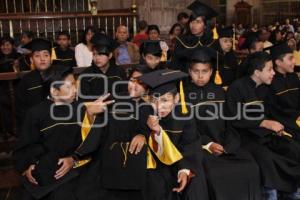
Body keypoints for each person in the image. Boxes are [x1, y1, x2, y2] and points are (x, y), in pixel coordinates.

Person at [14, 65, 112, 200]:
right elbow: (27, 144)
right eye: (69, 86)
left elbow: (94, 141)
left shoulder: (81, 108)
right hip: (50, 168)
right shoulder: (36, 113)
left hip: (80, 166)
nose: (75, 90)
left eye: (75, 84)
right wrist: (30, 164)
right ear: (55, 91)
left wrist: (73, 158)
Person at [185, 47, 261, 200]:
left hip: (225, 144)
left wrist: (229, 145)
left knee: (251, 166)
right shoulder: (183, 95)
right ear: (189, 71)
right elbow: (187, 129)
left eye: (205, 71)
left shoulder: (220, 92)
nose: (200, 76)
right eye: (195, 71)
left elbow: (230, 122)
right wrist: (208, 145)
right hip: (201, 147)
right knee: (215, 173)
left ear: (211, 71)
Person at [226, 51, 300, 200]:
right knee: (266, 158)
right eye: (269, 69)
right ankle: (271, 193)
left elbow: (274, 113)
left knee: (293, 148)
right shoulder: (237, 87)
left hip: (266, 135)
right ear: (257, 72)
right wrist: (263, 122)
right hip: (244, 137)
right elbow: (233, 118)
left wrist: (277, 127)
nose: (273, 73)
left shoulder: (266, 88)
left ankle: (293, 191)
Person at [138, 69, 208, 200]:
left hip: (181, 161)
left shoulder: (184, 115)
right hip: (155, 164)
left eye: (165, 100)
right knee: (157, 186)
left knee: (194, 185)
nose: (159, 107)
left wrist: (184, 170)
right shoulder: (145, 112)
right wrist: (153, 132)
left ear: (176, 99)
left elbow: (190, 145)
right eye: (154, 100)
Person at [16, 38, 53, 134]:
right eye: (37, 56)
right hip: (34, 128)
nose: (42, 59)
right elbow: (21, 109)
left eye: (46, 55)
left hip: (56, 125)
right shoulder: (26, 81)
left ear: (50, 58)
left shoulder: (60, 77)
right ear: (31, 59)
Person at [172, 0, 218, 72]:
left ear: (205, 25)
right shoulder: (181, 40)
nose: (193, 25)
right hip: (185, 79)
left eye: (198, 22)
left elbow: (216, 65)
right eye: (191, 22)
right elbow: (174, 64)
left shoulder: (212, 41)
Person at [79, 32, 126, 101]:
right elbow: (84, 100)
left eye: (100, 54)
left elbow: (124, 94)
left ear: (110, 55)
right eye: (94, 54)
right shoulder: (86, 75)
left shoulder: (119, 72)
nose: (97, 58)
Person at [267, 43, 300, 142]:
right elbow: (275, 110)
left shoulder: (293, 76)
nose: (294, 61)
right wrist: (296, 115)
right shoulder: (270, 81)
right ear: (278, 62)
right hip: (286, 122)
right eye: (290, 58)